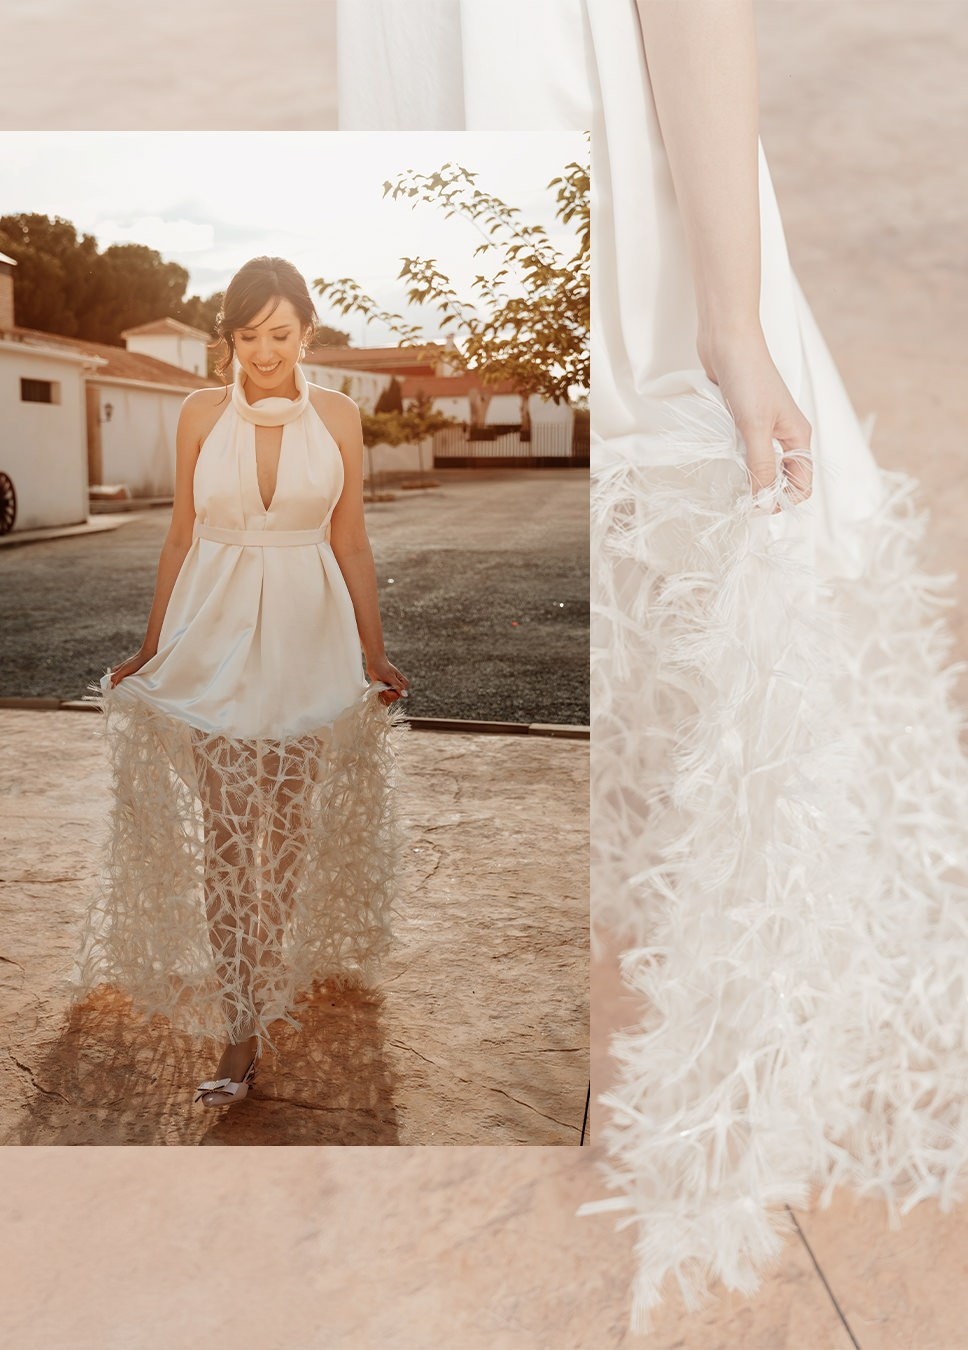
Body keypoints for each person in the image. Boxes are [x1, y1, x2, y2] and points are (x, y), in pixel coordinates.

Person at [338, 0, 968, 1332]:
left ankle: (746, 1060)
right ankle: (661, 1005)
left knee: (723, 611)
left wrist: (732, 320)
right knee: (642, 624)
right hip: (477, 143)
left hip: (597, 162)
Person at [70, 256, 409, 1109]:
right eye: (250, 334)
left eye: (282, 334)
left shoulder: (338, 415)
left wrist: (373, 653)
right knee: (228, 838)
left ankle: (268, 975)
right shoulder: (195, 414)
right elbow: (180, 537)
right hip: (213, 637)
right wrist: (152, 646)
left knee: (287, 833)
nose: (266, 352)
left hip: (308, 638)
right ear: (229, 337)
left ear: (308, 332)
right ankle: (240, 1024)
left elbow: (353, 543)